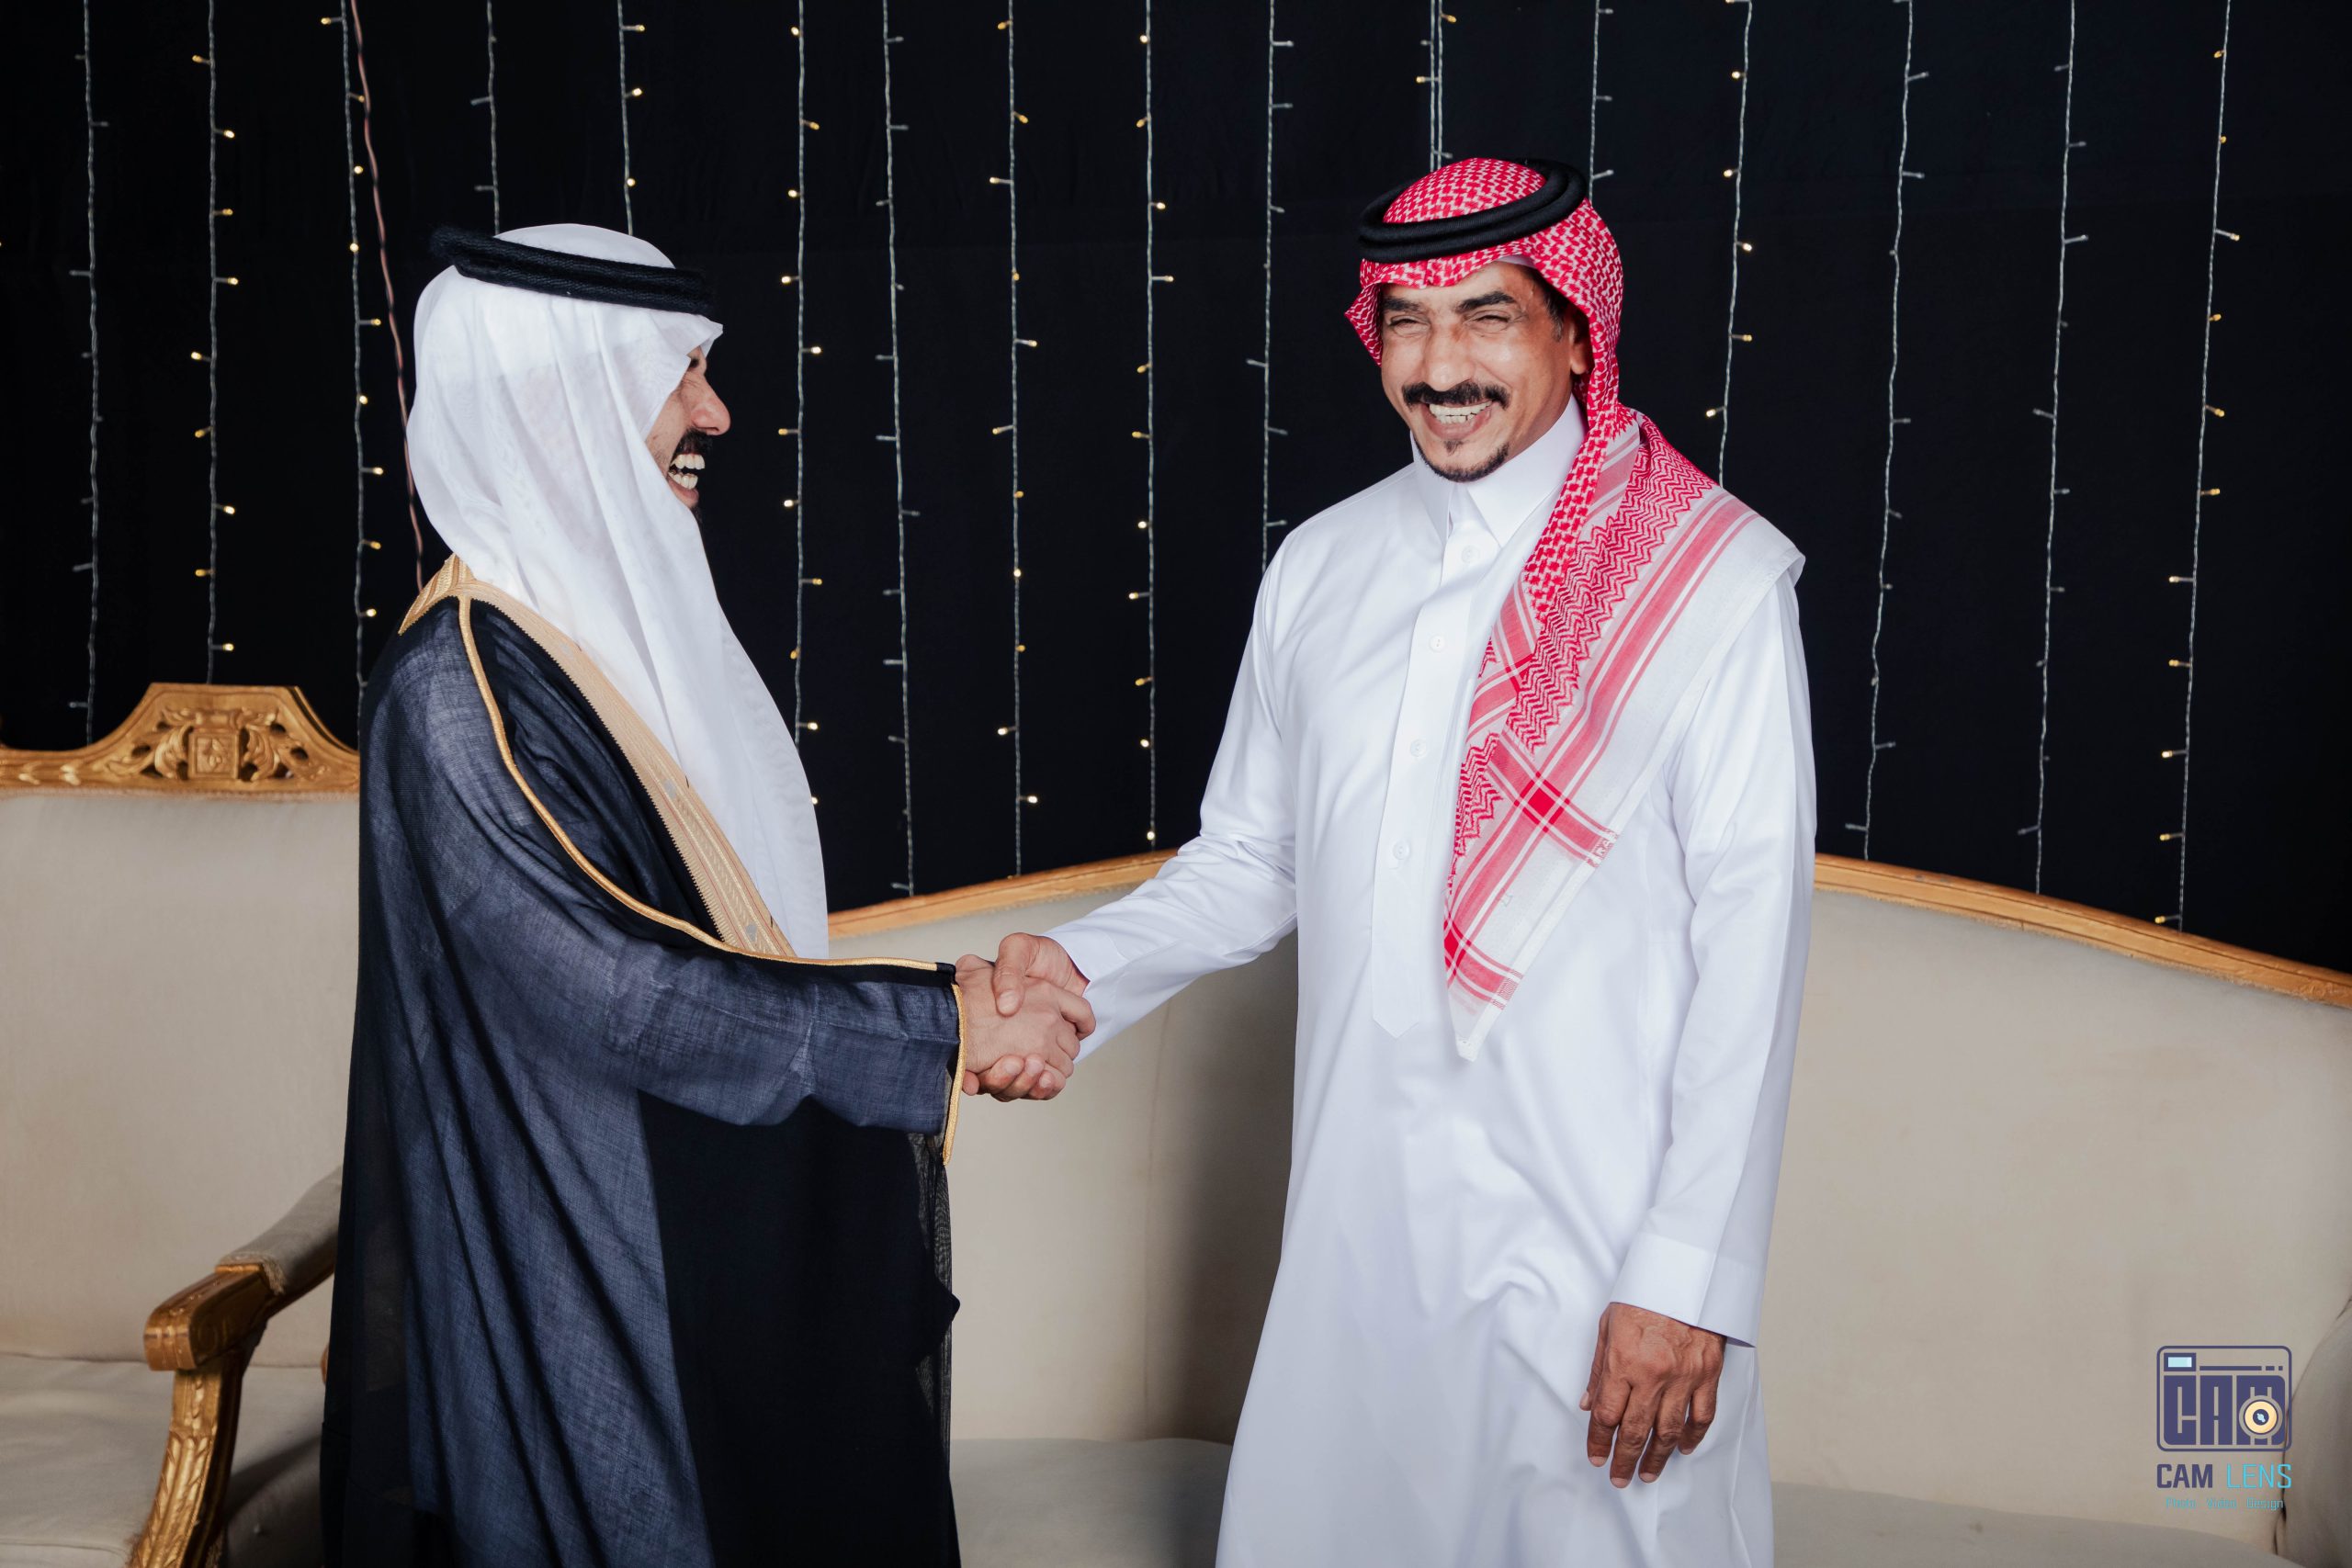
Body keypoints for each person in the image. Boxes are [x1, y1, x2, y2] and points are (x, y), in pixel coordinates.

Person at [985, 158, 1815, 1566]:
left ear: (1577, 334)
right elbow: (1254, 859)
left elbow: (1755, 946)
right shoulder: (1321, 566)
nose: (1441, 368)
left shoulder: (1708, 585)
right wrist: (1076, 972)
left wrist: (1691, 1280)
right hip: (1362, 1242)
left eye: (1489, 317)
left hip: (1599, 1253)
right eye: (1407, 323)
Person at [322, 224, 1087, 1568]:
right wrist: (948, 1022)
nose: (716, 412)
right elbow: (622, 992)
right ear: (561, 398)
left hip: (679, 1238)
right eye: (679, 372)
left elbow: (718, 945)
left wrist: (954, 1012)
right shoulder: (460, 691)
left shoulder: (576, 640)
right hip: (582, 1269)